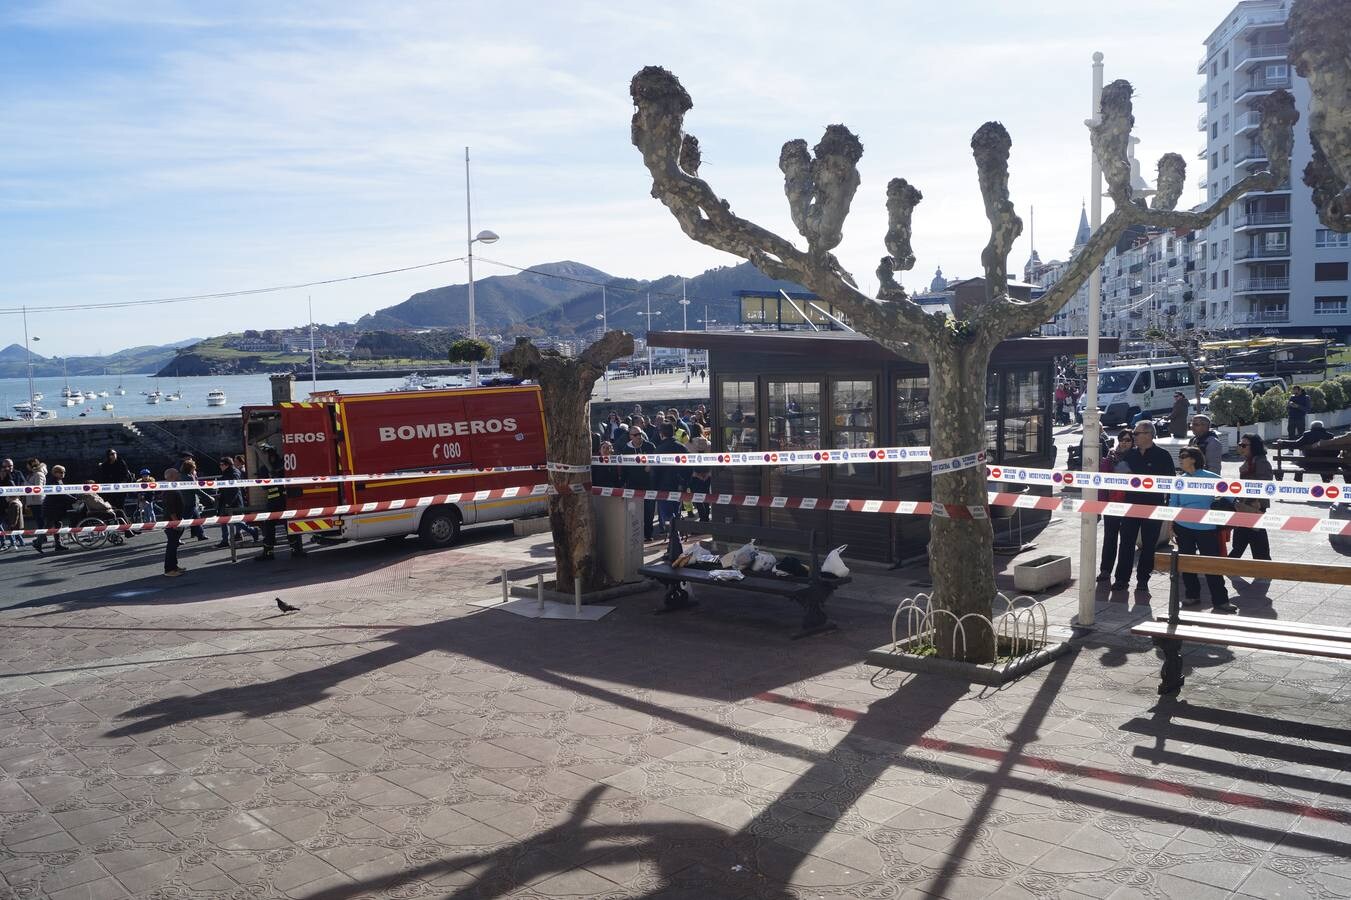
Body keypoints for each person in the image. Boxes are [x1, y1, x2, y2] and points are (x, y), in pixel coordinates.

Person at [1112, 421, 1176, 591]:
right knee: (1126, 543)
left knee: (1149, 545)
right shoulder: (1130, 455)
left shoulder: (1163, 455)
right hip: (1131, 506)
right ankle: (1121, 579)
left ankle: (1143, 580)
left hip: (1153, 507)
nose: (1133, 437)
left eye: (1136, 434)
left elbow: (1170, 483)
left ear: (1148, 434)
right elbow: (1120, 476)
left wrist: (1168, 509)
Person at [1171, 447, 1236, 612]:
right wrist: (1170, 526)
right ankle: (1192, 595)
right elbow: (1173, 504)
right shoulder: (1179, 480)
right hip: (1183, 527)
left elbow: (1232, 497)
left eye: (1183, 456)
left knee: (1211, 564)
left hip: (1207, 528)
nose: (1179, 459)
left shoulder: (1211, 478)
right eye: (1179, 456)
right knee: (1187, 563)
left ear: (1193, 459)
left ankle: (1221, 600)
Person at [255, 446, 307, 561]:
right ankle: (268, 552)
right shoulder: (264, 469)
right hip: (273, 502)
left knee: (289, 525)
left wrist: (277, 475)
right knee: (269, 528)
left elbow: (291, 475)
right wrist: (270, 478)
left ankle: (296, 550)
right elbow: (263, 486)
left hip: (284, 501)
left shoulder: (283, 464)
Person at [1096, 429, 1134, 584]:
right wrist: (1101, 505)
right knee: (1110, 538)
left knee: (1127, 541)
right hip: (1112, 504)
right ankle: (1105, 570)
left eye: (1128, 440)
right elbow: (1102, 482)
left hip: (1130, 505)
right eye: (1122, 439)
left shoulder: (1136, 457)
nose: (1124, 443)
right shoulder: (1110, 457)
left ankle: (1122, 578)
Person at [1229, 433, 1274, 561]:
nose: (1240, 447)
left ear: (1253, 446)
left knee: (1254, 534)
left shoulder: (1261, 462)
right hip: (1245, 504)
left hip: (1255, 505)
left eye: (1244, 445)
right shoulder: (1250, 460)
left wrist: (1254, 502)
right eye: (1239, 444)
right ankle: (1260, 561)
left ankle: (1262, 562)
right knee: (1244, 534)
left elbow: (1265, 484)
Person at [650, 423, 688, 537]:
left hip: (663, 489)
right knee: (676, 514)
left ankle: (673, 542)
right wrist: (684, 483)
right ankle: (676, 541)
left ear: (661, 434)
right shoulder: (682, 448)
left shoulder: (659, 449)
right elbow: (689, 468)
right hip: (678, 487)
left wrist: (653, 488)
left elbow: (654, 471)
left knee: (667, 517)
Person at [620, 426, 657, 542]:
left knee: (649, 511)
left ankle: (648, 534)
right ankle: (635, 534)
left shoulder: (649, 446)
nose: (638, 437)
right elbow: (624, 469)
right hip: (633, 485)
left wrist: (650, 466)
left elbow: (657, 460)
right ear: (630, 436)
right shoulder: (626, 449)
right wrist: (623, 484)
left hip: (649, 484)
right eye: (635, 435)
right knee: (634, 511)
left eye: (640, 434)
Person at [215, 456, 260, 547]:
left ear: (227, 465)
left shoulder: (233, 472)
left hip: (232, 501)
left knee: (235, 520)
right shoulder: (228, 472)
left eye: (222, 464)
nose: (220, 466)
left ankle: (252, 530)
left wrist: (229, 502)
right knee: (223, 520)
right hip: (225, 500)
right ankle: (225, 540)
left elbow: (234, 489)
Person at [31, 465, 72, 555]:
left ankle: (58, 544)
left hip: (56, 508)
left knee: (58, 524)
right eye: (61, 472)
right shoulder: (53, 481)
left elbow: (64, 492)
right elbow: (62, 494)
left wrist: (72, 496)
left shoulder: (58, 480)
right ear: (55, 473)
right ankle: (38, 542)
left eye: (64, 472)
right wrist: (74, 499)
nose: (63, 474)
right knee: (48, 526)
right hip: (51, 508)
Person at [686, 425, 713, 523]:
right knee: (706, 495)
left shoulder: (688, 445)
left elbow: (686, 463)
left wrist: (694, 474)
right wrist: (708, 473)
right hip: (707, 474)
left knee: (697, 497)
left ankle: (703, 517)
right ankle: (706, 516)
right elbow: (713, 460)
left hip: (694, 475)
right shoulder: (709, 444)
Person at [95, 448, 134, 514]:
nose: (114, 455)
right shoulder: (105, 465)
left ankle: (123, 521)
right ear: (108, 456)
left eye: (115, 453)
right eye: (112, 454)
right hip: (110, 489)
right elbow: (103, 477)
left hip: (121, 488)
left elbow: (125, 475)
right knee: (111, 505)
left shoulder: (121, 462)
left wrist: (121, 484)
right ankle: (116, 520)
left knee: (120, 505)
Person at [1, 458, 25, 548]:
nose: (8, 468)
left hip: (15, 500)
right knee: (6, 522)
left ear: (13, 465)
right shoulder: (2, 474)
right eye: (5, 466)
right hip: (2, 501)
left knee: (14, 522)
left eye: (10, 466)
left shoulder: (18, 473)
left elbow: (23, 486)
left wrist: (21, 499)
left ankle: (18, 540)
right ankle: (10, 541)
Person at [23, 457, 46, 533]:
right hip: (33, 501)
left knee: (40, 520)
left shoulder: (39, 474)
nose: (27, 467)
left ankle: (42, 536)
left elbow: (38, 488)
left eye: (28, 465)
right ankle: (41, 536)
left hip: (38, 501)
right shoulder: (32, 474)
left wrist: (26, 484)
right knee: (38, 520)